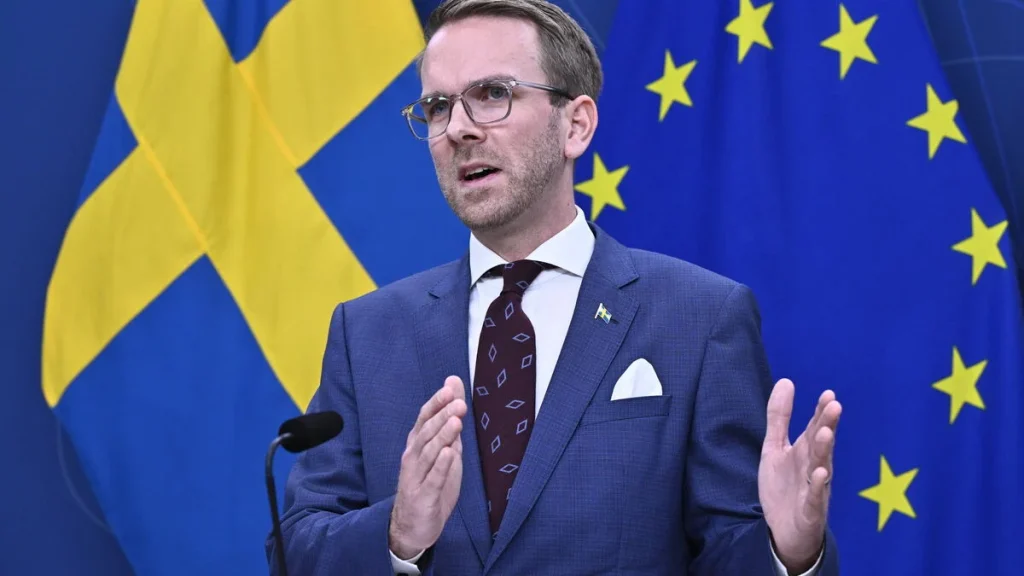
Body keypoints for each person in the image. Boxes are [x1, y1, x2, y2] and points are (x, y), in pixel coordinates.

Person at [267, 0, 842, 574]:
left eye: (492, 93)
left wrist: (790, 552)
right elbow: (294, 551)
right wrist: (398, 535)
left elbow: (728, 551)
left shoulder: (700, 317)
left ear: (576, 125)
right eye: (438, 106)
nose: (459, 128)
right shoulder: (367, 333)